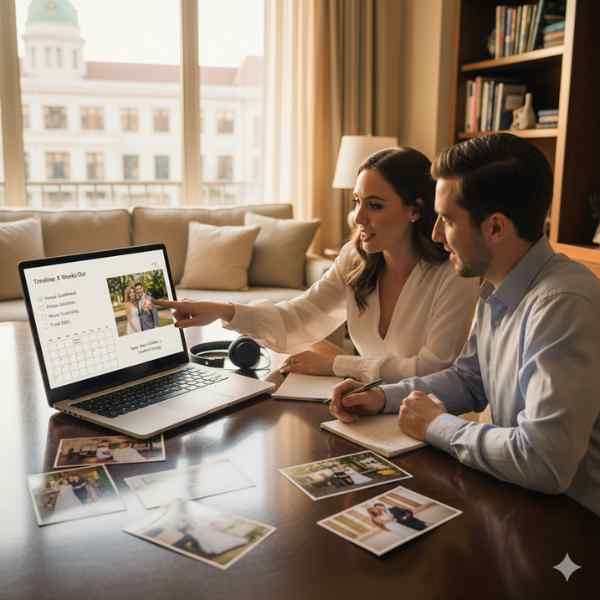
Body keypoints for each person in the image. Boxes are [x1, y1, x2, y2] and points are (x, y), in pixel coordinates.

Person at [330, 133, 600, 516]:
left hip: (574, 527)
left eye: (448, 220)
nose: (436, 235)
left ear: (494, 228)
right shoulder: (497, 285)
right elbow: (470, 380)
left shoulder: (562, 305)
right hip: (520, 499)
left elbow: (545, 463)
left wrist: (436, 426)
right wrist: (383, 397)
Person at [155, 147, 479, 383]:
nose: (358, 217)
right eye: (357, 202)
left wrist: (337, 365)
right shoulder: (357, 259)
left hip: (426, 427)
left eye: (375, 205)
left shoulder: (454, 274)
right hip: (364, 408)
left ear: (415, 210)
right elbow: (299, 318)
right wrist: (225, 311)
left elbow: (434, 369)